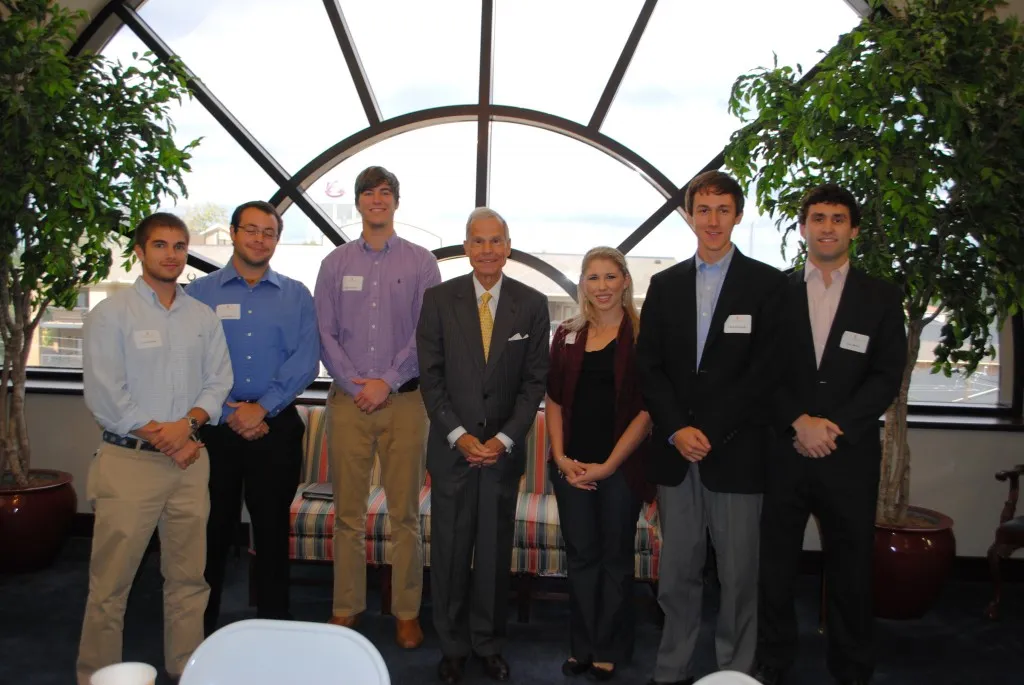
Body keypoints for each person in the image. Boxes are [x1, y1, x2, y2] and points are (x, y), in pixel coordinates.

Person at [637, 170, 786, 685]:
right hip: (677, 453)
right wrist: (677, 429)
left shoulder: (768, 285)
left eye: (723, 210)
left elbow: (767, 372)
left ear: (738, 216)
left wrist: (712, 430)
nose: (713, 220)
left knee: (739, 575)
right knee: (677, 573)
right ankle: (672, 667)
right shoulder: (665, 285)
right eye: (703, 209)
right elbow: (649, 368)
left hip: (738, 452)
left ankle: (735, 671)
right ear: (690, 216)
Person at [754, 185, 906, 685]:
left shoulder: (881, 297)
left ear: (853, 230)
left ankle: (852, 664)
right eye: (817, 218)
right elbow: (760, 370)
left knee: (852, 567)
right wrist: (798, 422)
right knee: (775, 566)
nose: (827, 227)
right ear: (803, 228)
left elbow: (886, 374)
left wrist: (834, 428)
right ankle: (774, 659)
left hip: (849, 454)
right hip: (785, 451)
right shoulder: (774, 292)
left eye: (838, 219)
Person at [77, 213, 233, 684]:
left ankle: (185, 667)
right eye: (160, 245)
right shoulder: (112, 314)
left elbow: (218, 382)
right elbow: (107, 394)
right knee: (111, 585)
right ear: (140, 252)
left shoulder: (202, 317)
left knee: (189, 579)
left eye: (179, 246)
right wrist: (167, 438)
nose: (171, 254)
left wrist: (186, 429)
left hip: (190, 462)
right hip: (130, 463)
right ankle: (98, 675)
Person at [417, 207, 550, 684]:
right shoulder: (438, 299)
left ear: (508, 247)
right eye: (479, 240)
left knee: (493, 555)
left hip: (501, 454)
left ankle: (488, 645)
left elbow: (534, 383)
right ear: (467, 246)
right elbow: (430, 377)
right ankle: (452, 647)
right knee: (450, 553)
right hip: (452, 450)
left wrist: (501, 439)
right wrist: (460, 436)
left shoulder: (532, 304)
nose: (488, 249)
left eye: (496, 241)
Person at [314, 166, 441, 648]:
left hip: (405, 402)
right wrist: (356, 385)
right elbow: (324, 332)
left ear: (396, 201)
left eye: (386, 192)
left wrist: (385, 382)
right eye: (369, 192)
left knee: (405, 514)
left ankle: (406, 612)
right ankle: (346, 606)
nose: (377, 199)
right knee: (347, 513)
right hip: (349, 403)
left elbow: (425, 333)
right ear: (358, 202)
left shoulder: (422, 262)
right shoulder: (334, 263)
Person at [186, 200, 319, 635]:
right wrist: (229, 410)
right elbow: (189, 359)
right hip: (215, 427)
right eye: (251, 230)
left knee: (272, 532)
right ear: (233, 232)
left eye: (269, 232)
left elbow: (306, 360)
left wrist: (261, 408)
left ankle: (274, 630)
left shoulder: (296, 294)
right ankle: (199, 631)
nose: (260, 239)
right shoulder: (199, 293)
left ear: (277, 240)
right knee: (211, 531)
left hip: (275, 425)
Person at [546, 246, 654, 681]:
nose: (602, 286)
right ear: (582, 284)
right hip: (571, 467)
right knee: (581, 557)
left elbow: (646, 412)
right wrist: (560, 458)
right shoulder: (567, 334)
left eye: (610, 276)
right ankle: (583, 647)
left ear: (625, 280)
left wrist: (608, 466)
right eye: (593, 277)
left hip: (621, 469)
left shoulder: (643, 336)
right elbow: (553, 400)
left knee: (614, 559)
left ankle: (609, 648)